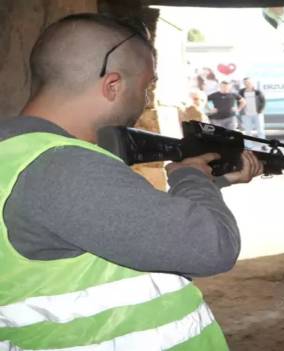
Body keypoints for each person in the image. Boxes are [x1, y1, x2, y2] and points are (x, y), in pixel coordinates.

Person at [0, 13, 263, 350]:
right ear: (112, 85)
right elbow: (214, 247)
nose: (146, 100)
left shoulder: (19, 155)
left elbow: (108, 223)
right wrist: (190, 175)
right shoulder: (63, 168)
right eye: (146, 87)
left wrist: (211, 182)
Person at [238, 77, 267, 148]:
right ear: (243, 83)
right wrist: (239, 110)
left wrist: (260, 110)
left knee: (260, 130)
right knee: (248, 131)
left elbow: (263, 101)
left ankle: (263, 145)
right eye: (245, 83)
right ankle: (249, 146)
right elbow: (238, 101)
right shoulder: (241, 92)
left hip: (257, 114)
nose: (247, 84)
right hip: (246, 115)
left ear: (251, 83)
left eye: (248, 82)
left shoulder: (258, 92)